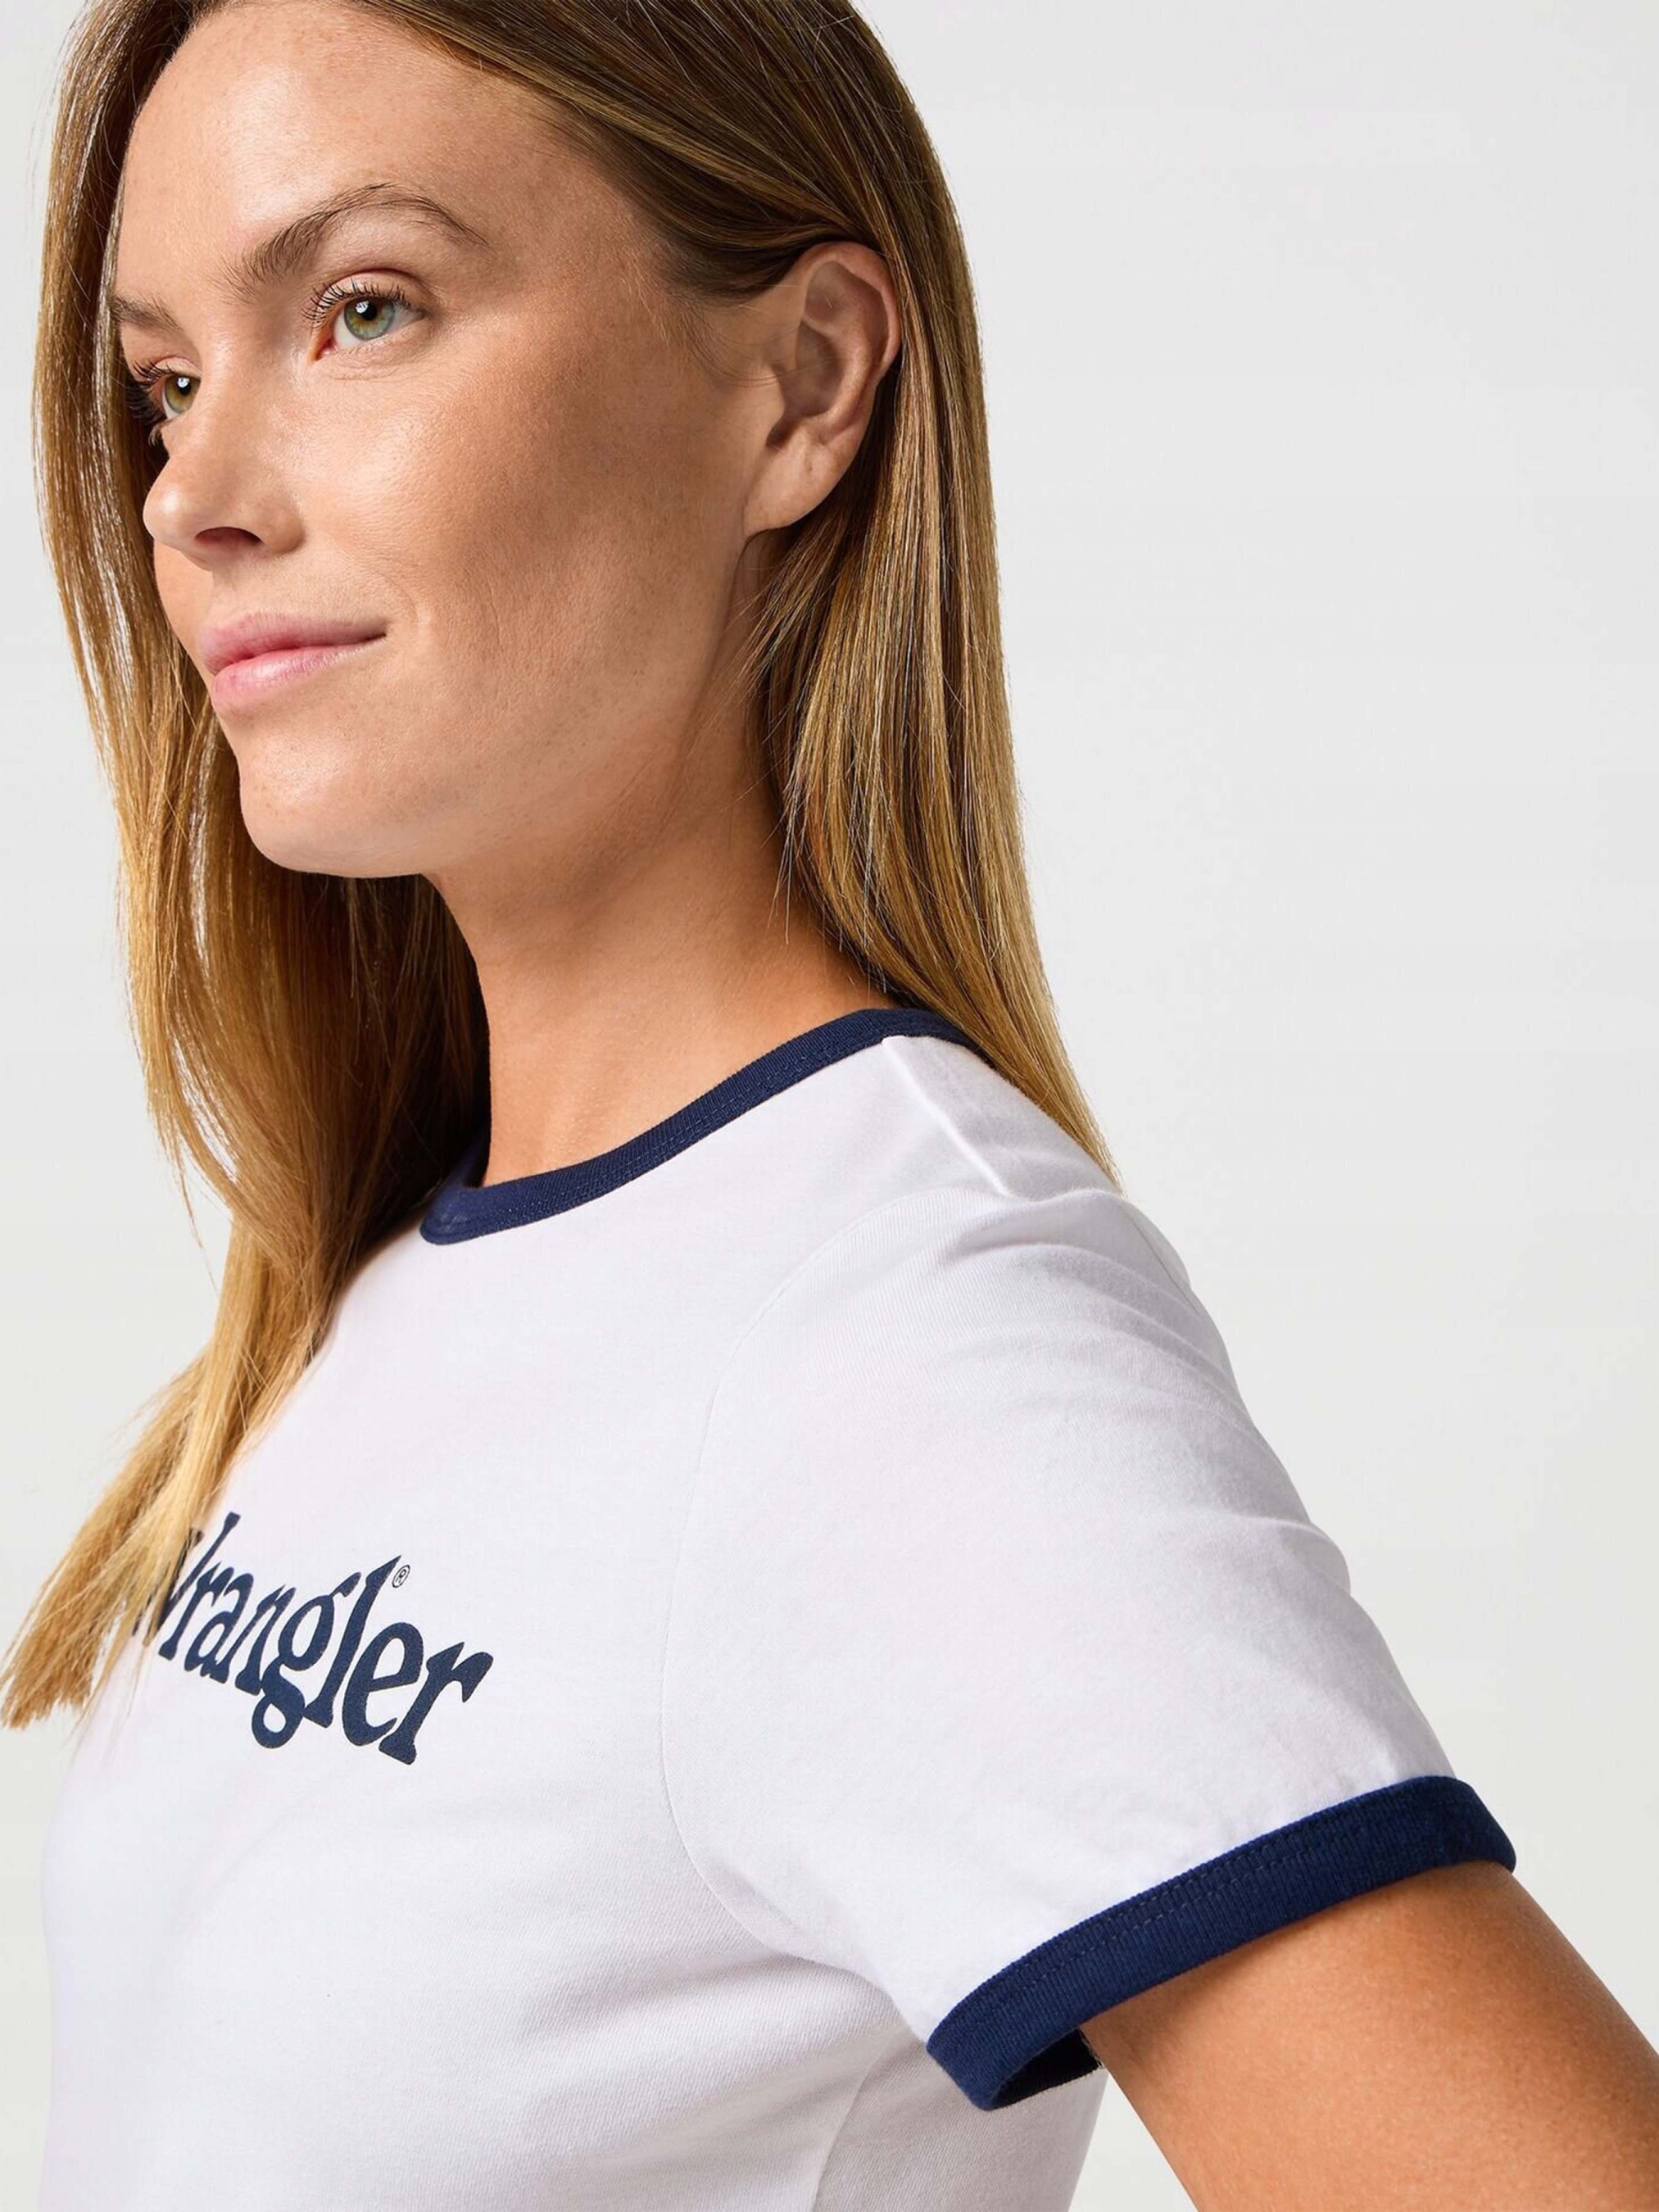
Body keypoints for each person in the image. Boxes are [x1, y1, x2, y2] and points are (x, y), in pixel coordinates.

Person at [6, 0, 1657, 2205]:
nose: (193, 497)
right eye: (166, 381)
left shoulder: (908, 1342)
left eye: (364, 309)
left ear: (801, 385)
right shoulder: (415, 1262)